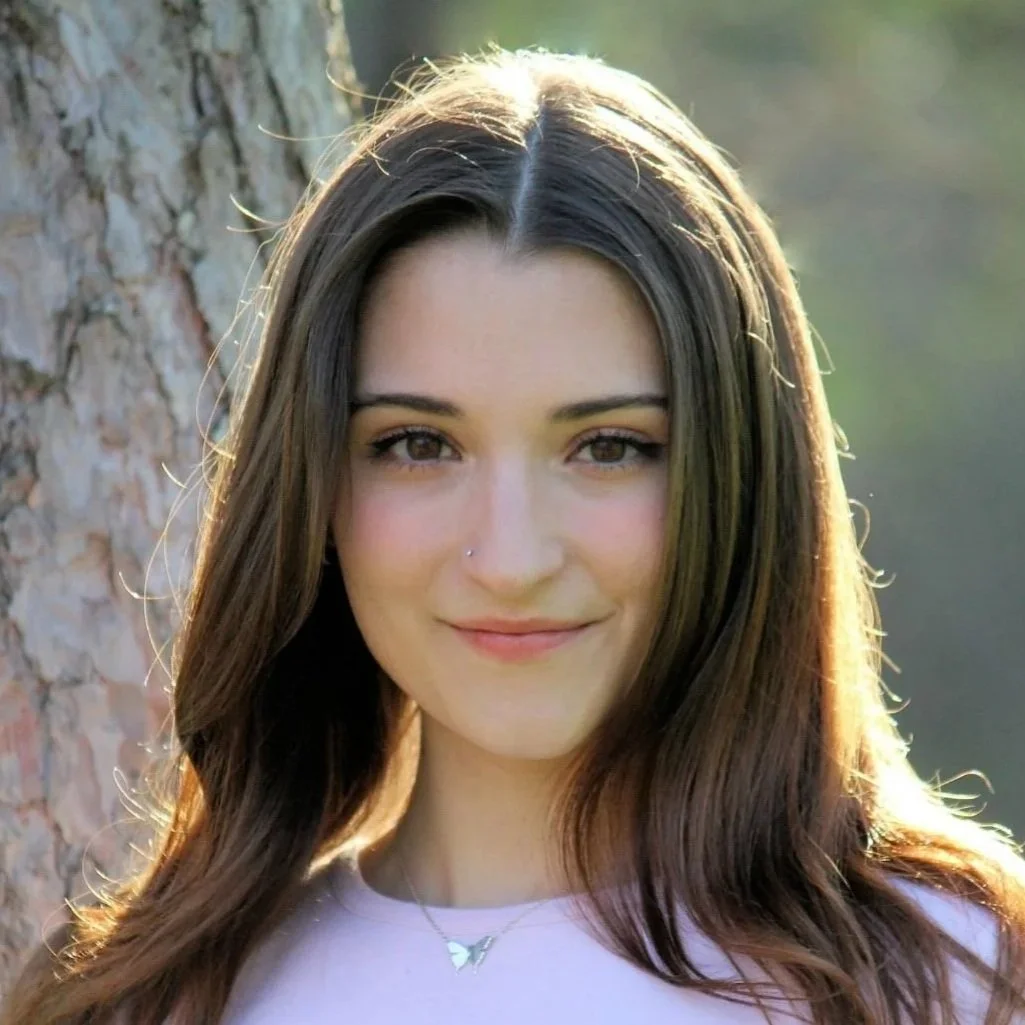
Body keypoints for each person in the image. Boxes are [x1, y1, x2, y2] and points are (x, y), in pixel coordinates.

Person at [3, 45, 1024, 1025]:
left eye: (610, 447)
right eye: (416, 443)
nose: (510, 556)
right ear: (310, 477)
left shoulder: (952, 978)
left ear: (741, 476)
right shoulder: (148, 999)